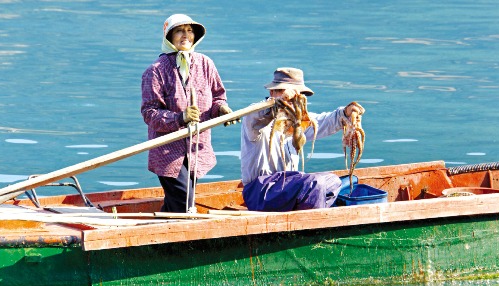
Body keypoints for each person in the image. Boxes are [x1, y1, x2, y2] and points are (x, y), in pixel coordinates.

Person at [141, 14, 237, 213]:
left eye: (189, 30)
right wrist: (179, 117)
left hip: (196, 149)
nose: (186, 35)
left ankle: (161, 229)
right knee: (184, 201)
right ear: (169, 36)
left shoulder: (205, 64)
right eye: (179, 31)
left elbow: (218, 96)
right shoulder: (156, 71)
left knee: (179, 202)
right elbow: (149, 113)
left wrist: (222, 109)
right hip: (168, 152)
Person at [240, 67, 362, 212]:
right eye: (286, 92)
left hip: (288, 187)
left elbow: (323, 121)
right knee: (313, 184)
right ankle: (312, 221)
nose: (293, 99)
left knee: (333, 182)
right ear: (272, 92)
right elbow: (256, 115)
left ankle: (306, 213)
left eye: (299, 94)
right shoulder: (255, 119)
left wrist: (346, 113)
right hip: (261, 192)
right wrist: (278, 102)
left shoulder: (297, 122)